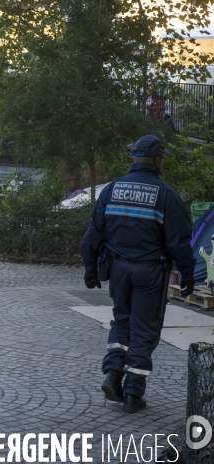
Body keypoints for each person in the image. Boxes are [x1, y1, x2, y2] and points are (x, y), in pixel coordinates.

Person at [80, 135, 195, 413]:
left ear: (134, 158)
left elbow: (93, 233)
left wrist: (91, 267)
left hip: (118, 270)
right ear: (156, 160)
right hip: (150, 272)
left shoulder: (112, 189)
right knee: (144, 331)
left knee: (122, 321)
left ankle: (113, 372)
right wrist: (188, 275)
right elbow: (179, 242)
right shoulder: (165, 195)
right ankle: (132, 394)